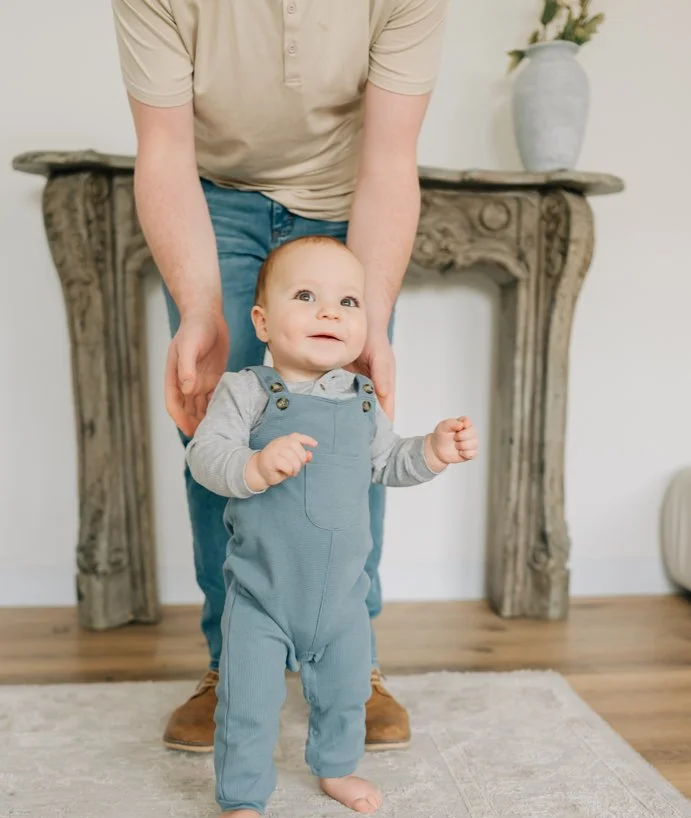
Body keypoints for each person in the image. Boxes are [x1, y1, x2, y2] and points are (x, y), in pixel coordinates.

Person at [111, 0, 450, 753]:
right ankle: (232, 663)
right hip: (216, 201)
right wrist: (200, 308)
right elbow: (163, 150)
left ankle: (350, 662)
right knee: (216, 414)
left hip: (344, 200)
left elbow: (390, 159)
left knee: (353, 412)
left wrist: (377, 320)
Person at [186, 235, 478, 818]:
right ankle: (242, 796)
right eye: (306, 296)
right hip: (264, 594)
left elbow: (388, 464)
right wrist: (255, 465)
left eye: (348, 301)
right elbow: (205, 456)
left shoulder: (364, 398)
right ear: (261, 322)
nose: (330, 313)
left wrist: (431, 450)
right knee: (249, 703)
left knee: (346, 693)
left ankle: (337, 768)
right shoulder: (247, 391)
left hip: (344, 596)